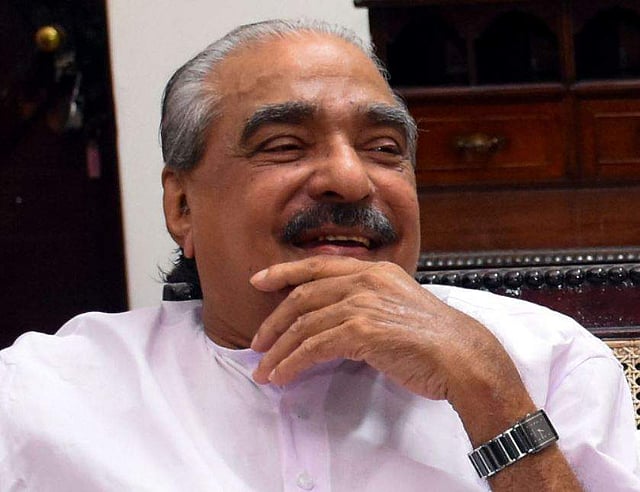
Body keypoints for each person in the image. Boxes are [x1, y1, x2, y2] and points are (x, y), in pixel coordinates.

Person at [1, 19, 638, 491]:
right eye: (284, 145)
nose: (350, 180)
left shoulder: (548, 364)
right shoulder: (46, 397)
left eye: (384, 149)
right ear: (182, 206)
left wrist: (491, 398)